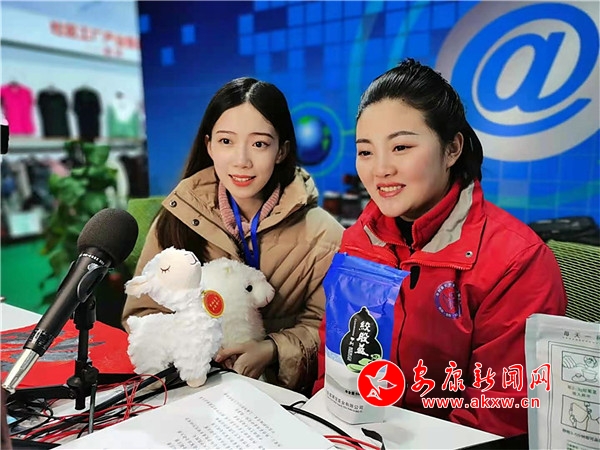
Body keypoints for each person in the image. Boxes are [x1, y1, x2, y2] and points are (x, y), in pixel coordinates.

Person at [313, 59, 567, 436]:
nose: (380, 169)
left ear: (452, 149)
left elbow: (499, 414)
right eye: (366, 152)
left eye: (401, 147)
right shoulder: (357, 242)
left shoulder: (517, 261)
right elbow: (334, 365)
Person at [122, 77, 344, 394]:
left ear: (281, 151)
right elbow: (142, 314)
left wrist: (273, 349)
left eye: (259, 144)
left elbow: (329, 330)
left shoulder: (324, 235)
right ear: (209, 145)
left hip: (278, 400)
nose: (241, 160)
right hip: (191, 393)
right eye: (226, 141)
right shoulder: (177, 218)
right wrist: (192, 346)